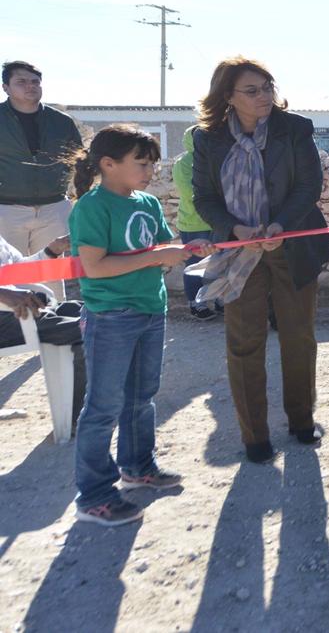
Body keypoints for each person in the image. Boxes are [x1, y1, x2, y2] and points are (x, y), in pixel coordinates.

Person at [67, 124, 214, 526]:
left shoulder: (147, 204)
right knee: (102, 407)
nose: (150, 171)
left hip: (151, 310)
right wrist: (156, 258)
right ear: (108, 164)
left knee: (141, 396)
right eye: (141, 163)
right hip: (111, 316)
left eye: (152, 163)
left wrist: (188, 251)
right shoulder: (91, 208)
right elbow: (95, 268)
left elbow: (161, 250)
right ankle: (94, 496)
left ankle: (137, 467)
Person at [192, 56, 329, 464]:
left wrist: (280, 226)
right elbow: (204, 198)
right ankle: (254, 437)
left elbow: (310, 185)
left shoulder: (296, 129)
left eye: (267, 86)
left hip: (290, 246)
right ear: (228, 97)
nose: (263, 96)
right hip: (238, 252)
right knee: (244, 343)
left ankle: (302, 422)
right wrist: (236, 230)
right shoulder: (208, 139)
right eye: (251, 91)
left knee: (299, 337)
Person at [0, 232, 86, 429]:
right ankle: (79, 419)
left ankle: (79, 415)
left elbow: (19, 270)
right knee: (90, 328)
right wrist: (3, 293)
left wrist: (51, 251)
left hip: (21, 311)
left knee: (94, 313)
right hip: (8, 317)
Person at [0, 61, 83, 259]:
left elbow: (79, 160)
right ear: (6, 88)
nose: (30, 86)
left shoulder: (62, 122)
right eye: (21, 81)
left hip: (53, 208)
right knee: (8, 275)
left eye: (35, 82)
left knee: (52, 274)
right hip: (6, 209)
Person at [173, 126, 219, 321]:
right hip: (193, 224)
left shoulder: (215, 159)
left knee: (221, 263)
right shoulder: (183, 163)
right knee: (194, 265)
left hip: (217, 223)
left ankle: (220, 299)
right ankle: (196, 304)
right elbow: (189, 193)